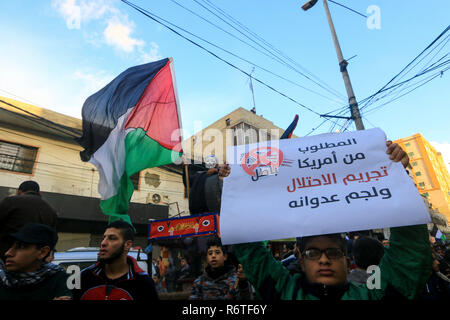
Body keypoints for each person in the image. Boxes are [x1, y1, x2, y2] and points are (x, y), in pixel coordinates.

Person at [233, 141, 433, 300]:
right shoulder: (283, 292)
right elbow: (250, 249)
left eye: (333, 252)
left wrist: (398, 179)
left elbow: (409, 255)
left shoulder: (373, 294)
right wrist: (236, 188)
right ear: (301, 261)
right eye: (312, 253)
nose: (324, 259)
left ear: (347, 261)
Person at [73, 220, 158, 300]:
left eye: (112, 238)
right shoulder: (83, 278)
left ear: (127, 245)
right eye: (104, 237)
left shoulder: (144, 284)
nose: (103, 243)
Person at [0, 223, 71, 300]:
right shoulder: (2, 279)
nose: (8, 253)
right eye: (10, 246)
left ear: (42, 252)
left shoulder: (58, 278)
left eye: (21, 246)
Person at [0, 181, 58, 260]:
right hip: (35, 261)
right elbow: (52, 237)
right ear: (39, 193)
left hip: (7, 256)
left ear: (19, 191)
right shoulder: (51, 210)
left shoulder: (11, 201)